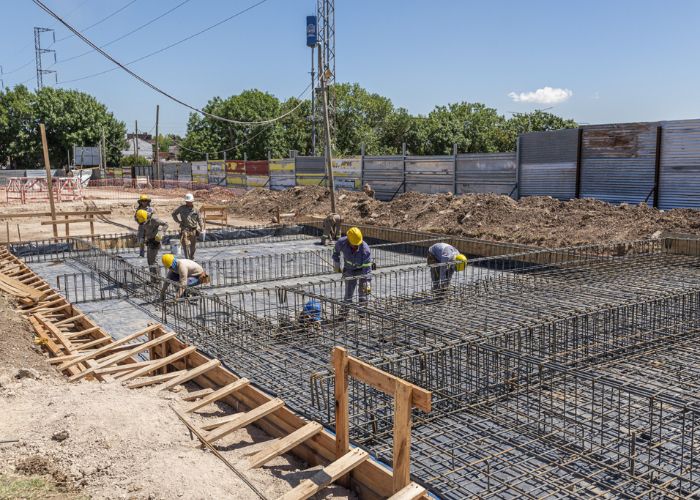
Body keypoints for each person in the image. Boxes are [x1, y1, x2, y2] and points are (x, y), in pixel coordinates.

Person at [332, 227, 372, 318]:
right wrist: (336, 265)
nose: (356, 246)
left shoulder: (365, 249)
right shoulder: (341, 242)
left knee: (363, 294)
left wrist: (367, 282)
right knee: (348, 295)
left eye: (357, 244)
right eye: (354, 244)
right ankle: (344, 314)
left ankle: (362, 314)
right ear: (348, 240)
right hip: (349, 270)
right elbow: (335, 252)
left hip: (362, 271)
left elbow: (367, 267)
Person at [135, 209, 168, 277]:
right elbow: (144, 230)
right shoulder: (141, 221)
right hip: (149, 242)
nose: (142, 223)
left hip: (156, 241)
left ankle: (157, 279)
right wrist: (142, 238)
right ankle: (153, 279)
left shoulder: (154, 220)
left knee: (153, 262)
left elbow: (165, 224)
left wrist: (161, 233)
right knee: (149, 261)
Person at [171, 193, 203, 259]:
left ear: (192, 201)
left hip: (193, 230)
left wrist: (201, 227)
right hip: (185, 229)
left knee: (193, 247)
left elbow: (199, 219)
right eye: (187, 201)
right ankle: (187, 259)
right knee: (185, 245)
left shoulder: (196, 210)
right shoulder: (181, 208)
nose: (188, 203)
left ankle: (191, 257)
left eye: (189, 202)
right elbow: (174, 214)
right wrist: (178, 221)